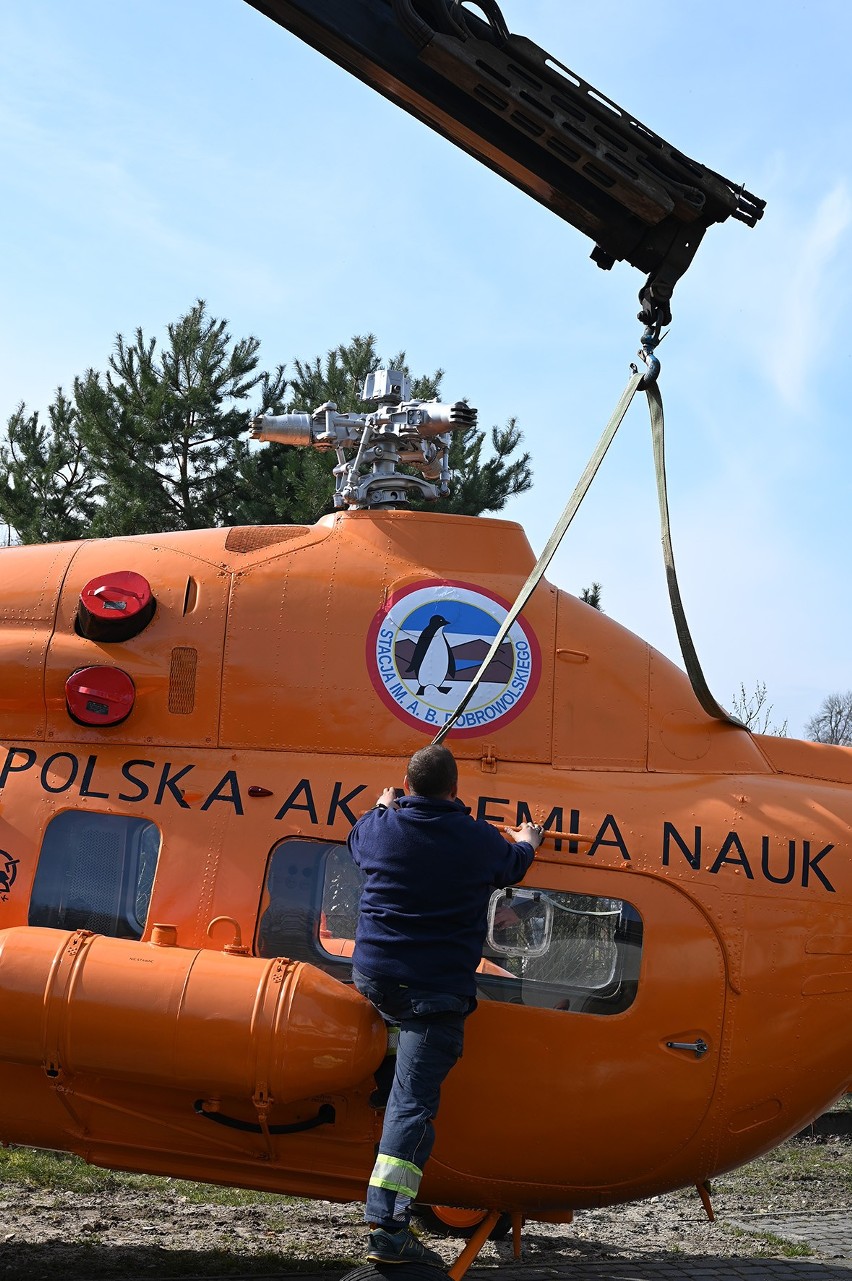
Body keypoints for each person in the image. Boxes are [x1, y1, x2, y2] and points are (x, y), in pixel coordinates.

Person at [348, 744, 543, 1267]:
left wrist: (383, 807)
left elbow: (358, 839)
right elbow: (515, 864)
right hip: (432, 998)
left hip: (376, 985)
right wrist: (529, 838)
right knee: (411, 1107)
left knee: (392, 1086)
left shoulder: (382, 828)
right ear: (456, 791)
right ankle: (387, 1227)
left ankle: (381, 1092)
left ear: (407, 787)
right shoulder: (477, 840)